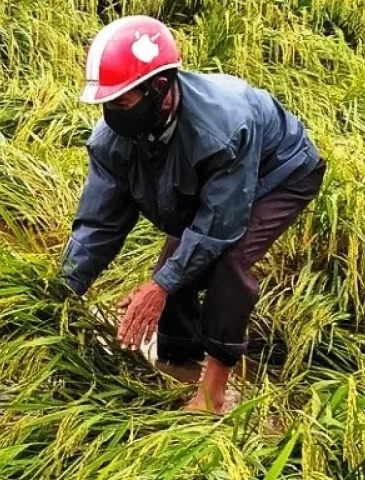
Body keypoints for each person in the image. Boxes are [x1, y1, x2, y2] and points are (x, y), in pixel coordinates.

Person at [60, 15, 326, 413]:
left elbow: (221, 225)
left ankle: (214, 391)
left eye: (120, 103)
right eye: (105, 105)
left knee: (228, 260)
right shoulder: (112, 141)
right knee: (177, 263)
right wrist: (62, 291)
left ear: (160, 88)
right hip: (216, 174)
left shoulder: (222, 128)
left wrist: (160, 285)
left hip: (281, 172)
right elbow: (99, 224)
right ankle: (178, 359)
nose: (111, 116)